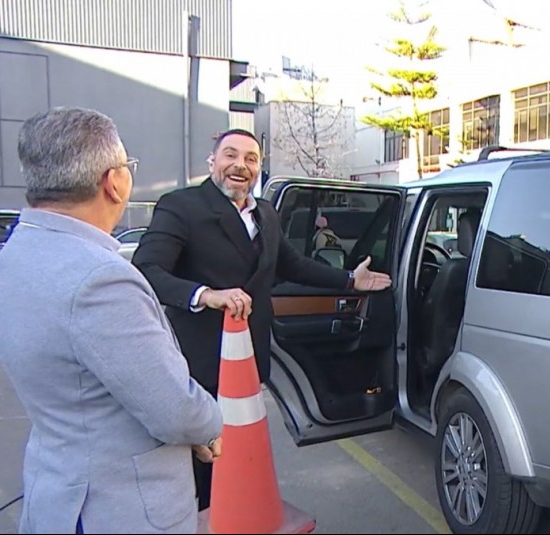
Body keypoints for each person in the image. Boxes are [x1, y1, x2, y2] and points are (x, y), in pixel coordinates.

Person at [0, 107, 223, 534]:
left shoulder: (20, 250)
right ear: (113, 182)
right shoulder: (101, 279)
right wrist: (209, 422)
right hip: (115, 509)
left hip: (60, 491)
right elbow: (174, 410)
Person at [132, 128, 392, 511]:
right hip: (201, 365)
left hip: (250, 362)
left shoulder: (265, 213)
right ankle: (203, 517)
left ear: (259, 167)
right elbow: (147, 268)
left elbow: (292, 265)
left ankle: (236, 512)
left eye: (251, 159)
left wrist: (349, 279)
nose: (240, 165)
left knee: (238, 452)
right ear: (212, 162)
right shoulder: (182, 206)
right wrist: (206, 295)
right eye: (230, 155)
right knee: (200, 463)